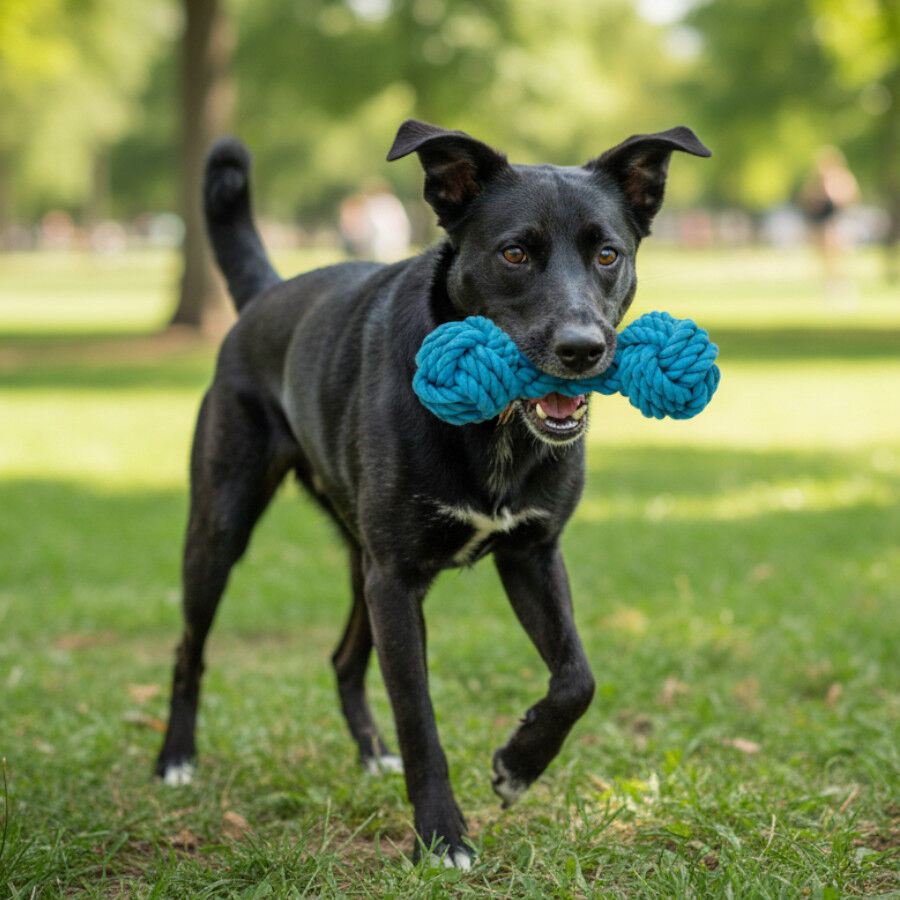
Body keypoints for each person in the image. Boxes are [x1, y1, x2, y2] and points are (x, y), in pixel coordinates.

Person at [799, 147, 859, 299]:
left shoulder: (843, 178)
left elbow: (850, 198)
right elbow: (805, 199)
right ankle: (829, 285)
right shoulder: (815, 182)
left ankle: (841, 284)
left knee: (838, 256)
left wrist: (832, 193)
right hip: (821, 223)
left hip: (838, 221)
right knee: (824, 257)